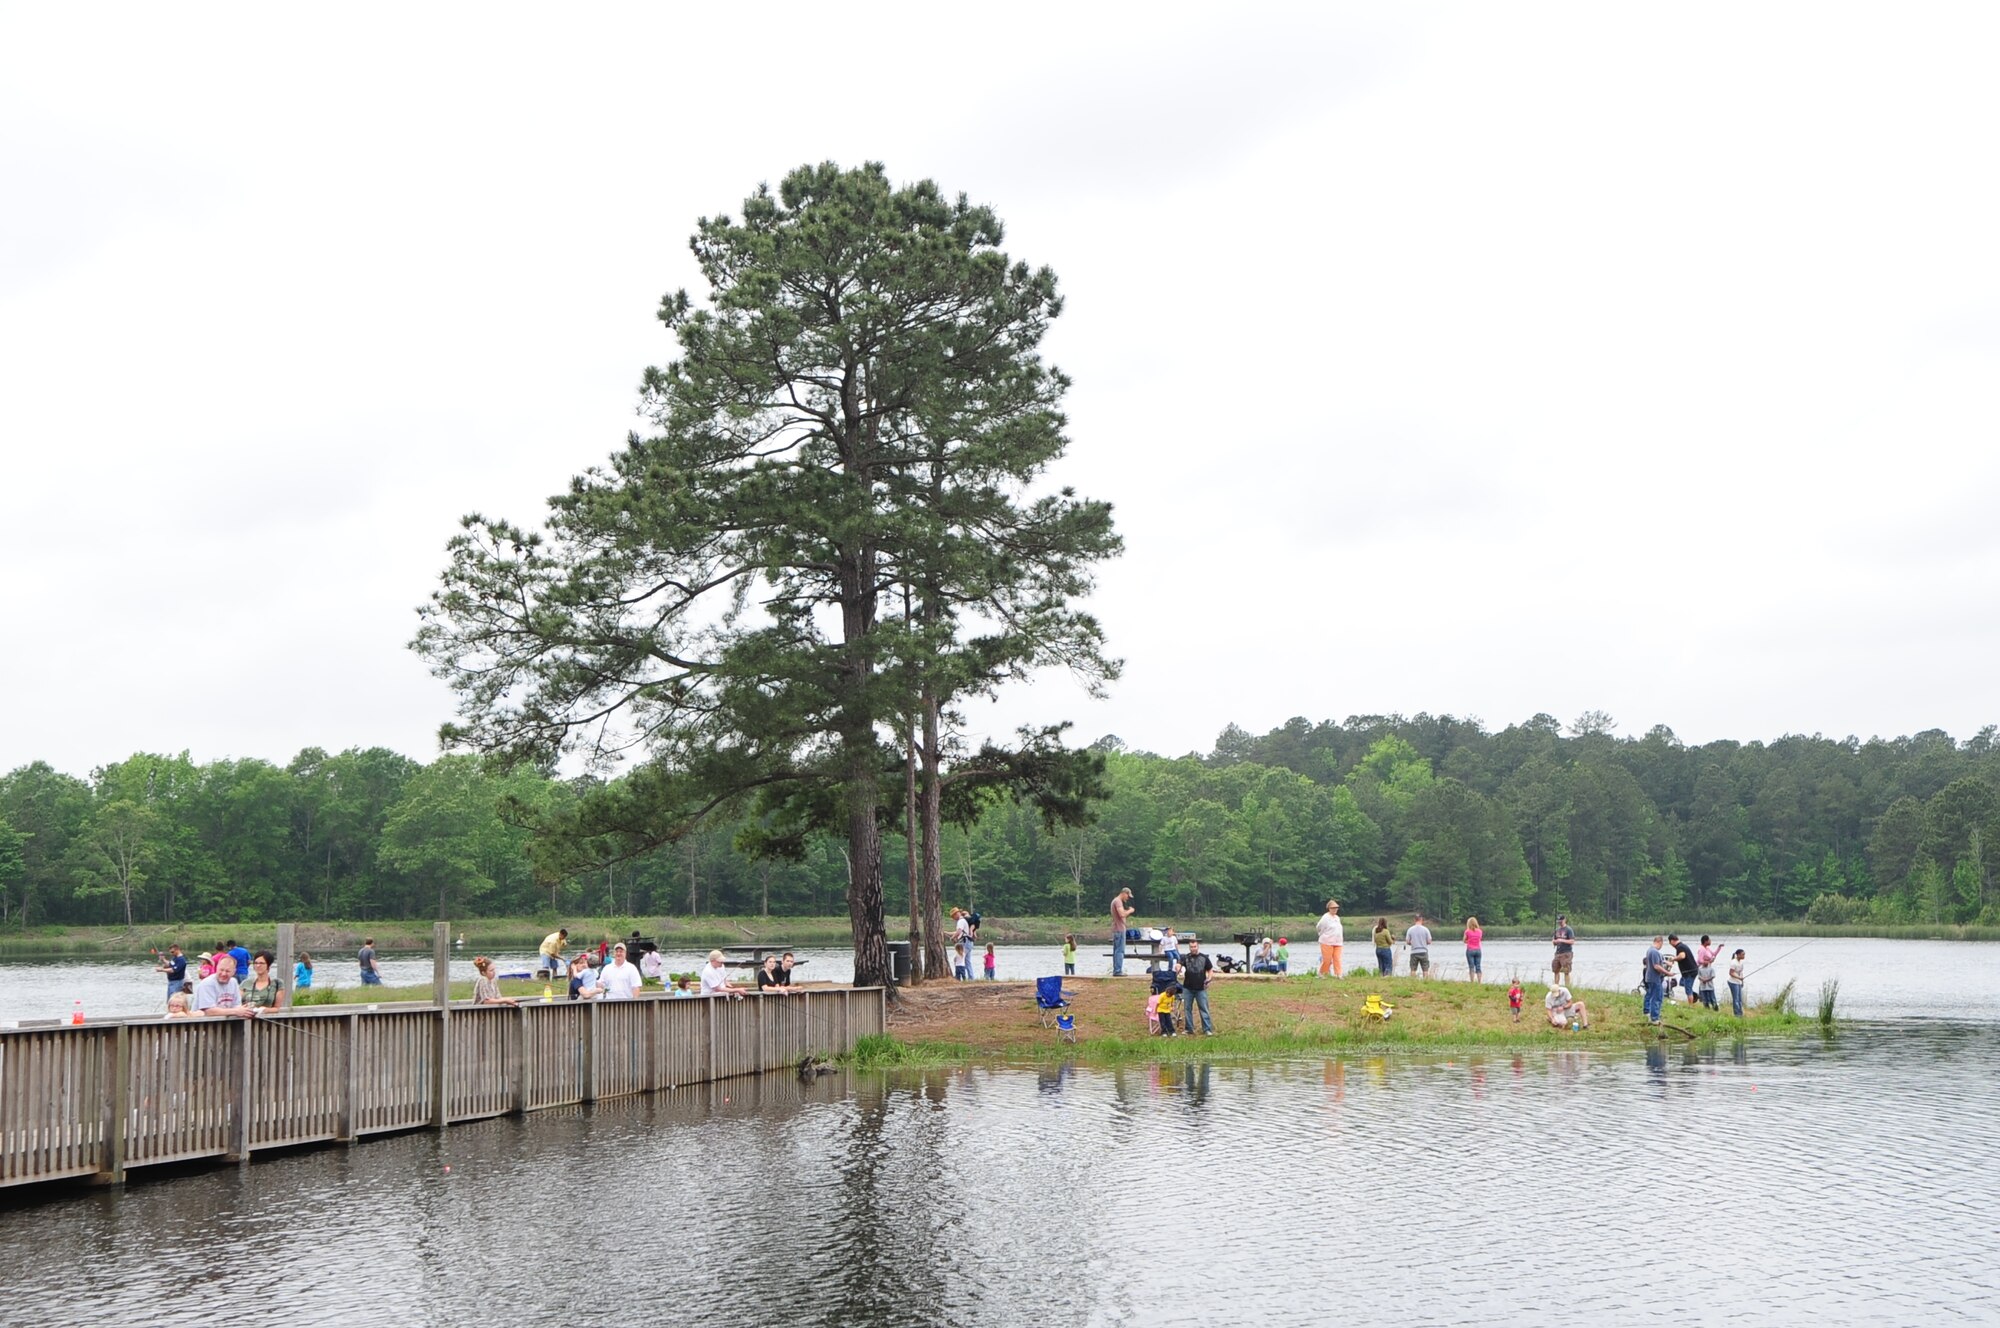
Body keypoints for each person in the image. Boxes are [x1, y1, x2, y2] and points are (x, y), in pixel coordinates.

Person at [193, 954, 257, 1018]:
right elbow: (209, 1011)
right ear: (217, 968)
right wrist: (236, 1011)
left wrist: (245, 1010)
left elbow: (237, 1006)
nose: (223, 974)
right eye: (221, 970)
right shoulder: (207, 983)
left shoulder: (233, 982)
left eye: (227, 971)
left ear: (234, 972)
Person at [1176, 939, 1216, 1035]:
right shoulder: (1185, 957)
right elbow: (1179, 964)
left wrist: (1209, 979)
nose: (1193, 949)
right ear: (1189, 947)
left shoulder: (1204, 958)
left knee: (1204, 1009)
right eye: (1191, 947)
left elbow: (1210, 970)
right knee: (1187, 1009)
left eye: (1194, 947)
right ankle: (1189, 1029)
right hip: (1187, 988)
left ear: (1198, 947)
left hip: (1201, 988)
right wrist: (1177, 967)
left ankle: (1207, 1029)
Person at [1642, 936, 1671, 1024]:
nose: (1662, 946)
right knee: (1657, 998)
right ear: (1659, 942)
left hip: (1651, 978)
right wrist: (1668, 973)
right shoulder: (1654, 952)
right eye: (1662, 944)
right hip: (1654, 979)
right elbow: (1656, 966)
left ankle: (1654, 1015)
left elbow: (1660, 961)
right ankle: (1654, 1018)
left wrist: (1666, 962)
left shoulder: (1650, 950)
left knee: (1656, 996)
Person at [1316, 899, 1345, 977]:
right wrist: (1322, 935)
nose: (1335, 909)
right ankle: (1322, 973)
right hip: (1327, 941)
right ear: (1329, 908)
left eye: (1336, 908)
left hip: (1338, 942)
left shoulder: (1337, 918)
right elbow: (1319, 927)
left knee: (1337, 959)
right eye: (1333, 908)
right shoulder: (1325, 917)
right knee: (1327, 960)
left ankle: (1338, 974)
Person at [1110, 887, 1135, 977]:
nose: (1127, 898)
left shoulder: (1116, 901)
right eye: (1128, 896)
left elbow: (1121, 915)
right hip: (1119, 930)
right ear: (1124, 893)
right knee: (1120, 951)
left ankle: (1116, 970)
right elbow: (1122, 914)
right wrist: (1130, 911)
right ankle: (1118, 971)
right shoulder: (1118, 901)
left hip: (1117, 929)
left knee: (1117, 951)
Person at [1670, 934, 1699, 1006]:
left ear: (1672, 941)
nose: (1671, 945)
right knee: (1682, 983)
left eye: (1670, 943)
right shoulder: (1682, 946)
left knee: (1688, 989)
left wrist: (1673, 959)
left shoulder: (1680, 947)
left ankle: (1691, 1005)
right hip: (1690, 971)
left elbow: (1682, 956)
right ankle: (1694, 995)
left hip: (1689, 971)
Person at [1695, 935, 1722, 1010]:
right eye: (1709, 940)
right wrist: (1708, 961)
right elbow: (1700, 960)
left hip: (1708, 968)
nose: (1710, 941)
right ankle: (1705, 1004)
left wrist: (1719, 948)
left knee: (1710, 986)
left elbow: (1713, 954)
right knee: (1704, 987)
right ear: (1705, 941)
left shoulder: (1707, 948)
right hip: (1702, 969)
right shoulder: (1701, 949)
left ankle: (1714, 1005)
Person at [1550, 913, 1575, 986]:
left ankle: (1567, 986)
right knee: (1555, 970)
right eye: (1558, 921)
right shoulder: (1557, 930)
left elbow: (1572, 941)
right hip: (1558, 953)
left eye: (1561, 921)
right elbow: (1554, 940)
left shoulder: (1569, 929)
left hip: (1566, 953)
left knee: (1566, 971)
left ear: (1564, 920)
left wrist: (1561, 940)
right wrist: (1554, 942)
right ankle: (1556, 986)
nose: (1560, 922)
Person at [1463, 916, 1484, 982]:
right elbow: (1479, 939)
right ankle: (1479, 981)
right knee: (1478, 966)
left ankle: (1472, 981)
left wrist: (1468, 941)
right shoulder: (1480, 931)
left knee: (1471, 966)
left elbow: (1464, 940)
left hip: (1470, 950)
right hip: (1478, 950)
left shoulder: (1467, 931)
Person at [1727, 948, 1748, 1017]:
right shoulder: (1733, 962)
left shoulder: (1741, 962)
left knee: (1739, 999)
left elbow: (1741, 972)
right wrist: (1739, 978)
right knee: (1736, 999)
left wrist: (1742, 981)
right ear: (1738, 955)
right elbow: (1731, 973)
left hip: (1738, 982)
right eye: (1743, 954)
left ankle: (1740, 1013)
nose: (1744, 956)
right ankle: (1737, 1014)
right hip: (1733, 982)